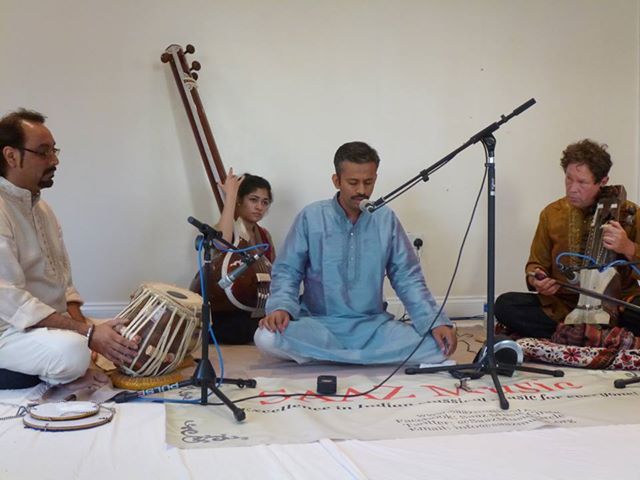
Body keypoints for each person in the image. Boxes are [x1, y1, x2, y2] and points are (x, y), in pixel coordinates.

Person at [254, 141, 456, 364]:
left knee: (439, 347)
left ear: (375, 178)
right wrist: (281, 307)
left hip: (373, 328)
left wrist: (434, 321)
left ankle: (327, 358)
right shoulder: (311, 217)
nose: (362, 190)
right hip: (319, 324)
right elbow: (287, 271)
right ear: (336, 180)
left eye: (368, 182)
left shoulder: (385, 219)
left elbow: (408, 277)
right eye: (353, 182)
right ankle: (359, 358)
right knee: (265, 337)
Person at [0, 109, 138, 387]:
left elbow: (65, 285)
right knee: (72, 352)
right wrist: (86, 335)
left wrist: (91, 329)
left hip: (51, 325)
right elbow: (11, 301)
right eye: (43, 152)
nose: (55, 160)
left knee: (127, 329)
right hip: (9, 330)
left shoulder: (43, 210)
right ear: (11, 156)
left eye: (54, 150)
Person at [495, 139, 640, 338]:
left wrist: (628, 247)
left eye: (582, 182)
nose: (572, 188)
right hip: (564, 305)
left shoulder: (630, 212)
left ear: (603, 181)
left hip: (618, 304)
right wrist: (537, 280)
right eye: (568, 179)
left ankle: (575, 334)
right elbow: (536, 264)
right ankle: (593, 334)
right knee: (505, 305)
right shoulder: (552, 213)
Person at [208, 169, 275, 344]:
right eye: (253, 200)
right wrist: (230, 195)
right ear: (240, 200)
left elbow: (273, 273)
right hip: (228, 311)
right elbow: (222, 243)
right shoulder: (231, 230)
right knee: (240, 329)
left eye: (265, 202)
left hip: (256, 307)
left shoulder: (265, 235)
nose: (259, 207)